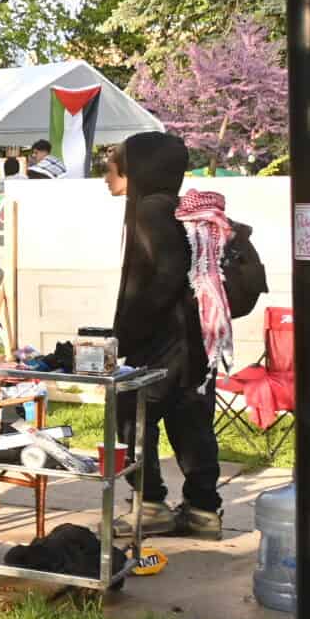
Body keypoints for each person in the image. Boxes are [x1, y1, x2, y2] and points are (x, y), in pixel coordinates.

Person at [110, 130, 222, 539]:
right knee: (188, 418)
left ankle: (151, 504)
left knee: (131, 413)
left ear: (138, 167)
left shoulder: (151, 211)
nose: (108, 172)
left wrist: (124, 332)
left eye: (114, 162)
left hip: (166, 342)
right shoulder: (173, 209)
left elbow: (168, 275)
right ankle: (202, 510)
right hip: (194, 342)